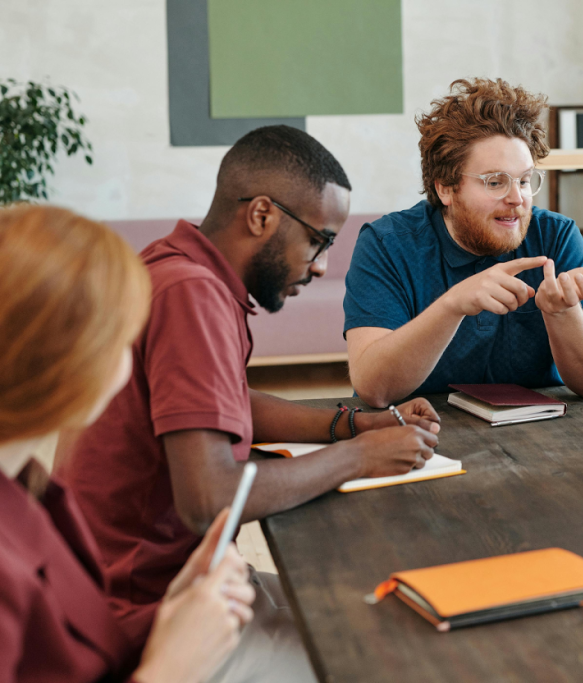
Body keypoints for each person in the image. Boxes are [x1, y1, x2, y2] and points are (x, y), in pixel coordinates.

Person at [59, 125, 441, 676]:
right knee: (380, 657)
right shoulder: (192, 295)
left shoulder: (177, 268)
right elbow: (208, 496)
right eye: (319, 240)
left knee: (369, 608)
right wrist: (358, 458)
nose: (318, 267)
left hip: (169, 582)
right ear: (261, 215)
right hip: (149, 614)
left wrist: (355, 425)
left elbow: (225, 400)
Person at [0, 204, 256, 682]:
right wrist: (171, 669)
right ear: (64, 360)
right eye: (123, 338)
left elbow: (77, 644)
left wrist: (176, 609)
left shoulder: (31, 488)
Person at [343, 78, 583, 407]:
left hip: (537, 435)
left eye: (525, 180)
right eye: (494, 182)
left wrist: (564, 314)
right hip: (416, 436)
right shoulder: (386, 245)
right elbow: (374, 388)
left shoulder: (556, 237)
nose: (517, 198)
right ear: (445, 188)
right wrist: (453, 304)